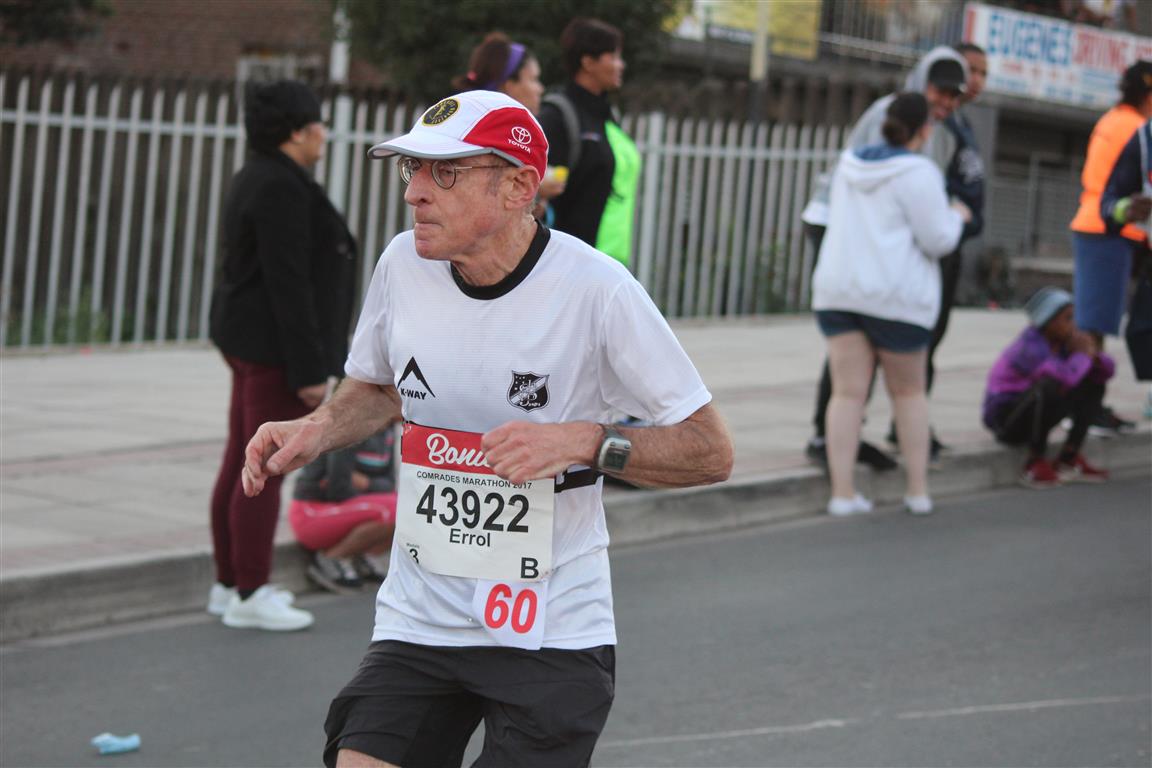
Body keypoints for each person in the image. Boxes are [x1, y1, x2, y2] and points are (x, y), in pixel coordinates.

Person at [240, 90, 734, 767]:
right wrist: (319, 427)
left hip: (550, 624)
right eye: (411, 169)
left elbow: (709, 451)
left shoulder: (598, 290)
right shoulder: (402, 265)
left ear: (518, 188)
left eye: (444, 172)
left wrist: (586, 441)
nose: (414, 192)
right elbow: (380, 387)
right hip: (423, 614)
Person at [206, 80, 356, 632]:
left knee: (238, 459)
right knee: (262, 467)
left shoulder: (260, 175)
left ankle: (229, 585)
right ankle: (250, 590)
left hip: (249, 343)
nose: (324, 135)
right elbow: (288, 285)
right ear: (297, 132)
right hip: (273, 350)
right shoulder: (280, 187)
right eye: (317, 125)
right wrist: (310, 370)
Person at [801, 45, 969, 471]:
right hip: (835, 223)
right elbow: (876, 193)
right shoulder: (891, 114)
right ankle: (827, 435)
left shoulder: (940, 127)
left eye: (955, 95)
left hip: (861, 233)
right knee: (852, 334)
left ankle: (843, 434)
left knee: (861, 336)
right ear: (922, 84)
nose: (947, 102)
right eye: (940, 91)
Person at [888, 42, 988, 459]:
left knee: (930, 343)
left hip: (949, 246)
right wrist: (951, 217)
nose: (973, 81)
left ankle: (908, 428)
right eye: (968, 71)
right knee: (901, 346)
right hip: (927, 248)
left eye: (980, 74)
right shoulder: (927, 128)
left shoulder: (958, 126)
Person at [1068, 60, 1152, 435]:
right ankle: (1084, 408)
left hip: (1100, 226)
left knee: (1095, 323)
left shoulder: (1116, 120)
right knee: (1093, 325)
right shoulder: (1135, 128)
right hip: (1107, 229)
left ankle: (1089, 406)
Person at [982, 287, 1114, 487]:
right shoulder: (1029, 347)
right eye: (1067, 318)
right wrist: (1082, 355)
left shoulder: (1064, 343)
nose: (1074, 325)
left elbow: (1107, 372)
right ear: (1049, 321)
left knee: (1094, 385)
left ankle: (1069, 457)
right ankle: (1034, 462)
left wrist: (1093, 355)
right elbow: (1065, 378)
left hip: (1035, 414)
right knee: (1048, 386)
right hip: (1007, 422)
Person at [537, 17, 641, 266]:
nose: (621, 65)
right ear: (588, 62)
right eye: (613, 56)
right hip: (568, 263)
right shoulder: (557, 116)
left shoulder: (608, 116)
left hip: (610, 260)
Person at [453, 31, 566, 216]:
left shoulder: (464, 124)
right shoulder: (490, 140)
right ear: (509, 85)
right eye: (534, 79)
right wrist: (534, 191)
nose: (540, 89)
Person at [289, 429, 398, 593]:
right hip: (311, 513)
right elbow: (338, 489)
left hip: (346, 507)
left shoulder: (387, 431)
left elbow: (389, 484)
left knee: (407, 507)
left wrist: (366, 483)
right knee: (392, 509)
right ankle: (331, 558)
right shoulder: (352, 428)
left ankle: (362, 556)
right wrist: (371, 493)